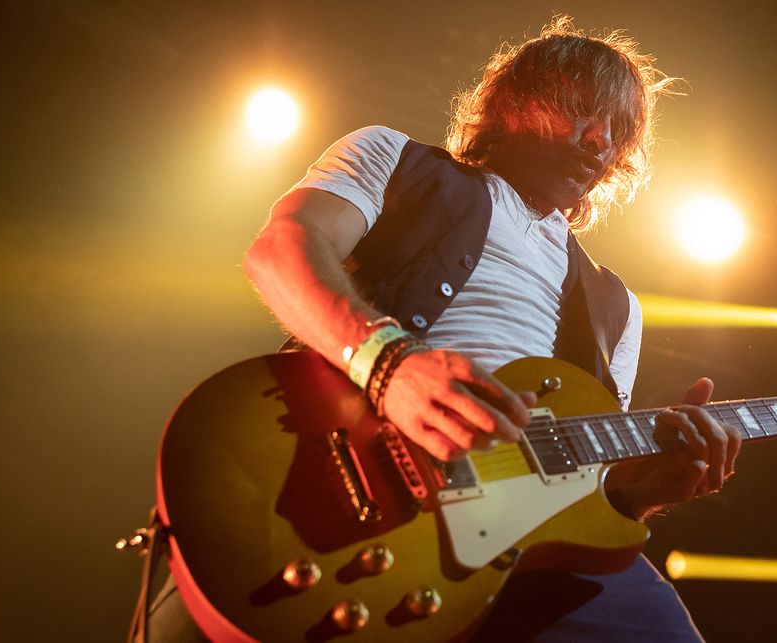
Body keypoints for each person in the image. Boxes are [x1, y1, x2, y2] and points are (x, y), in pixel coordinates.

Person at [146, 16, 741, 642]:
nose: (599, 141)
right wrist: (389, 365)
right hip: (355, 479)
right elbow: (283, 248)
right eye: (582, 111)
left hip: (520, 546)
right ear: (512, 102)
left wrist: (644, 494)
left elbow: (592, 489)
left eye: (619, 132)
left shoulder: (617, 307)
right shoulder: (393, 159)